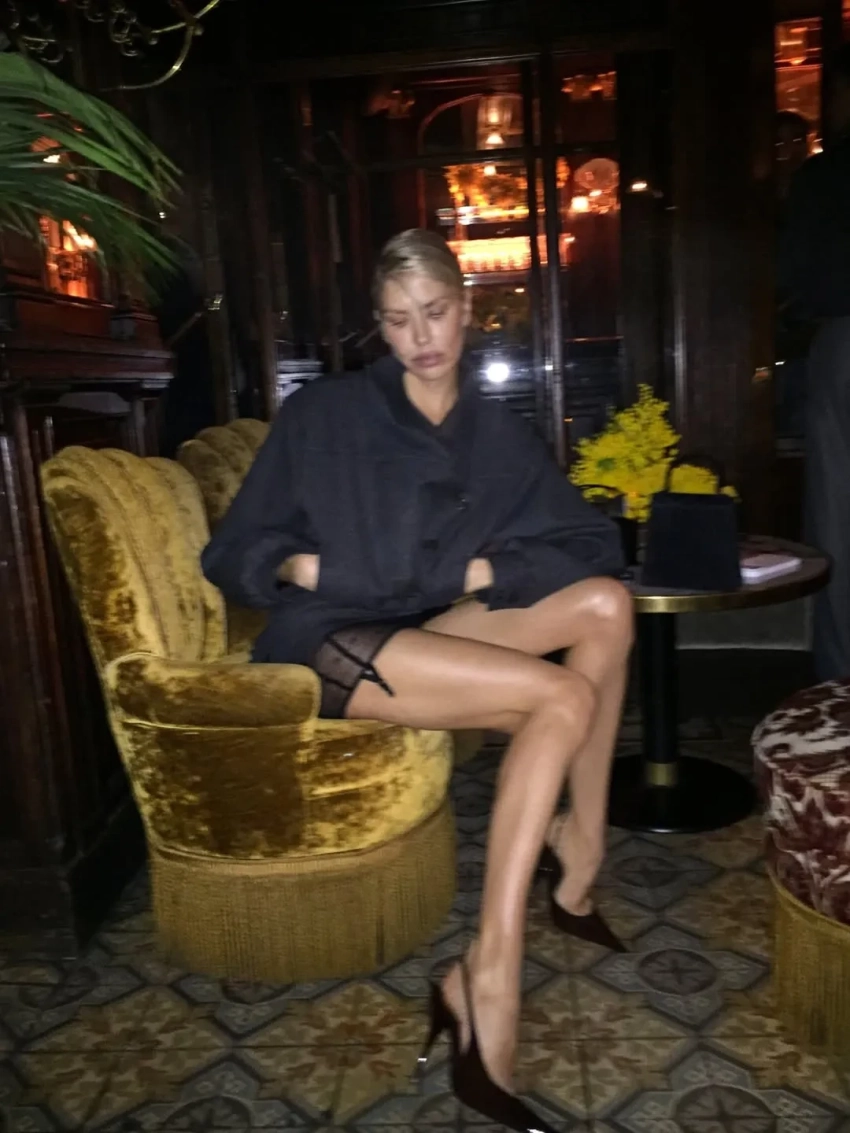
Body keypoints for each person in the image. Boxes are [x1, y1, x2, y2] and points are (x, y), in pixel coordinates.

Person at [202, 229, 633, 1131]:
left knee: (605, 604)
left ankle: (580, 851)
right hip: (332, 638)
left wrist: (481, 574)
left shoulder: (494, 431)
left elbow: (587, 542)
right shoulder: (326, 413)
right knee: (562, 696)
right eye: (398, 320)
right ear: (380, 325)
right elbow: (234, 549)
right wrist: (300, 567)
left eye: (435, 312)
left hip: (424, 626)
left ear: (467, 309)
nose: (421, 336)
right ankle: (489, 974)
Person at [781, 45, 850, 681]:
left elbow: (798, 282)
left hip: (842, 340)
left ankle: (841, 684)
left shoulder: (823, 178)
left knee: (837, 519)